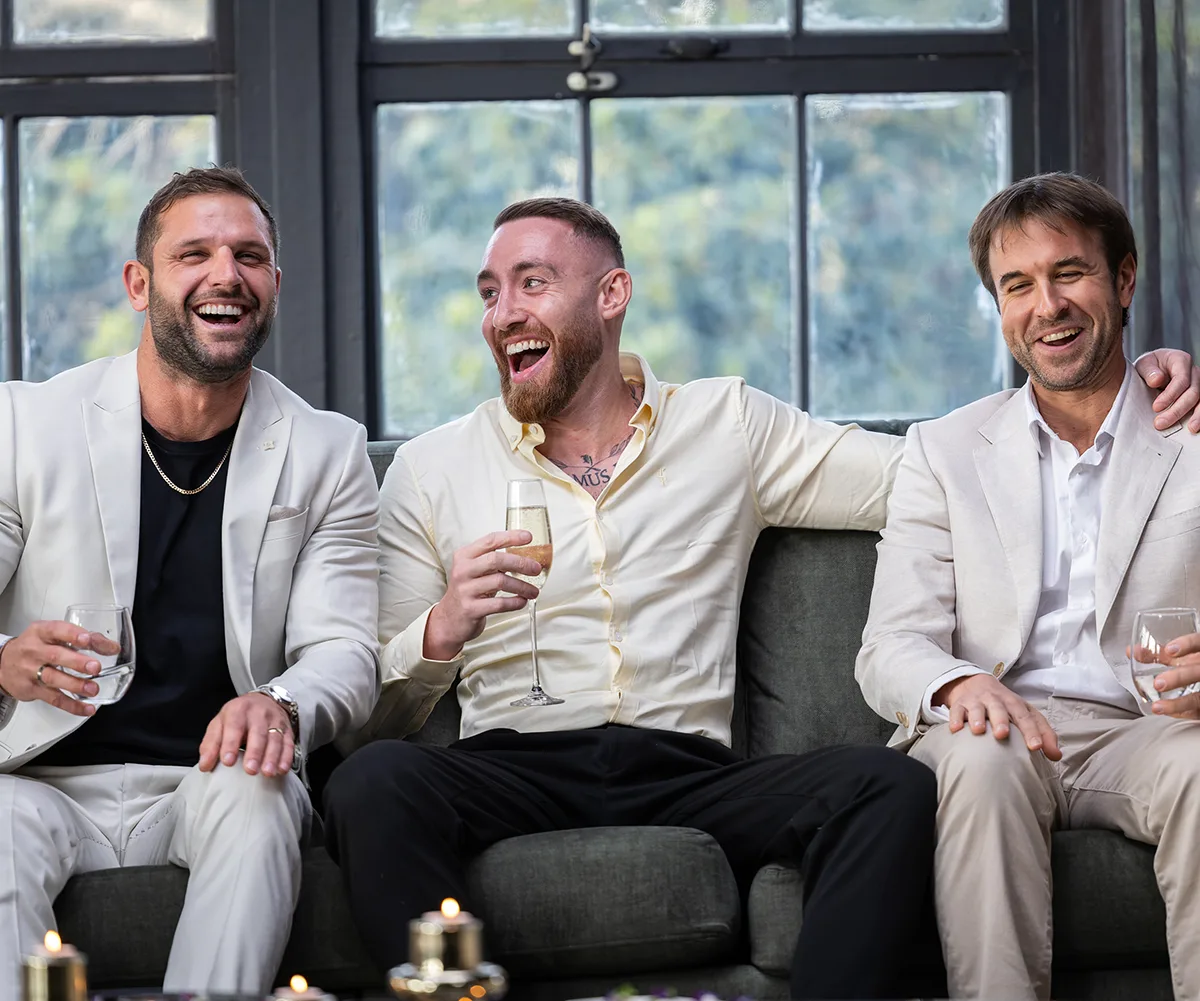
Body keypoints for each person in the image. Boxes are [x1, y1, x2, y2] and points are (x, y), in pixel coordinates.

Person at [322, 196, 1198, 997]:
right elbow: (367, 718)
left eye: (532, 283)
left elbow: (943, 471)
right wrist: (442, 628)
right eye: (489, 293)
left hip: (688, 767)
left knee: (886, 784)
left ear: (612, 294)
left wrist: (1123, 395)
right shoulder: (432, 468)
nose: (503, 312)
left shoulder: (727, 425)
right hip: (511, 764)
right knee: (372, 780)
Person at [0, 166, 380, 997]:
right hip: (35, 777)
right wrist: (2, 657)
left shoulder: (328, 451)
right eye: (194, 254)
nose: (226, 275)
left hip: (210, 780)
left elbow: (347, 652)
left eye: (249, 256)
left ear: (273, 284)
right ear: (140, 284)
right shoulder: (25, 425)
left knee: (260, 795)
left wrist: (280, 704)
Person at [856, 171, 1200, 1000]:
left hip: (1148, 728)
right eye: (1018, 285)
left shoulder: (1190, 428)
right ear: (999, 304)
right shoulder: (943, 449)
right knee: (983, 759)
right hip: (997, 725)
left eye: (1070, 272)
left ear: (1123, 278)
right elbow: (890, 645)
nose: (1047, 305)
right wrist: (957, 683)